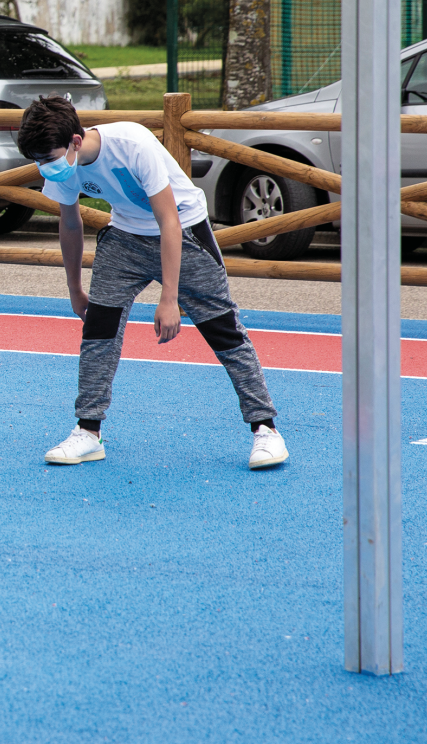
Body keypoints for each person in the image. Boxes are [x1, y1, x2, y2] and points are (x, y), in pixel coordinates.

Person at [15, 94, 288, 470]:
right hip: (124, 237)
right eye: (38, 160)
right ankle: (88, 432)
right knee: (98, 332)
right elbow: (71, 223)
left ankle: (266, 431)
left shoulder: (132, 144)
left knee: (224, 331)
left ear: (75, 142)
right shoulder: (65, 165)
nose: (44, 167)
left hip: (183, 233)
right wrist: (75, 288)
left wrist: (169, 298)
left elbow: (169, 221)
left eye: (48, 158)